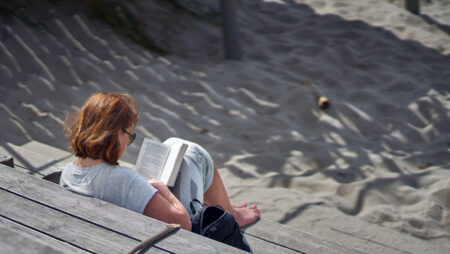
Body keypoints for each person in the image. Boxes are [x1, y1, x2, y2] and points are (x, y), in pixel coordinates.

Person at [60, 92, 260, 231]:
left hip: (116, 236)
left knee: (173, 145)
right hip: (168, 243)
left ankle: (224, 208)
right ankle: (230, 214)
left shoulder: (68, 172)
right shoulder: (124, 179)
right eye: (129, 135)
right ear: (115, 134)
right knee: (193, 153)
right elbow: (183, 225)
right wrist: (162, 190)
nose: (127, 143)